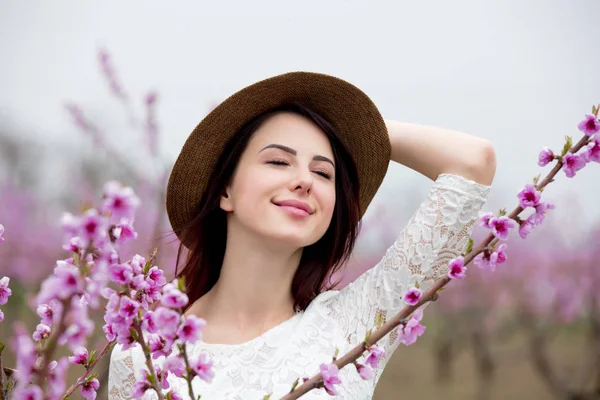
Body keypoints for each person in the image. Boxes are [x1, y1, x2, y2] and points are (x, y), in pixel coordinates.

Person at [107, 71, 496, 399]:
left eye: (324, 172)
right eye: (278, 161)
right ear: (225, 190)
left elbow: (471, 161)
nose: (304, 181)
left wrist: (358, 131)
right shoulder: (145, 356)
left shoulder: (355, 323)